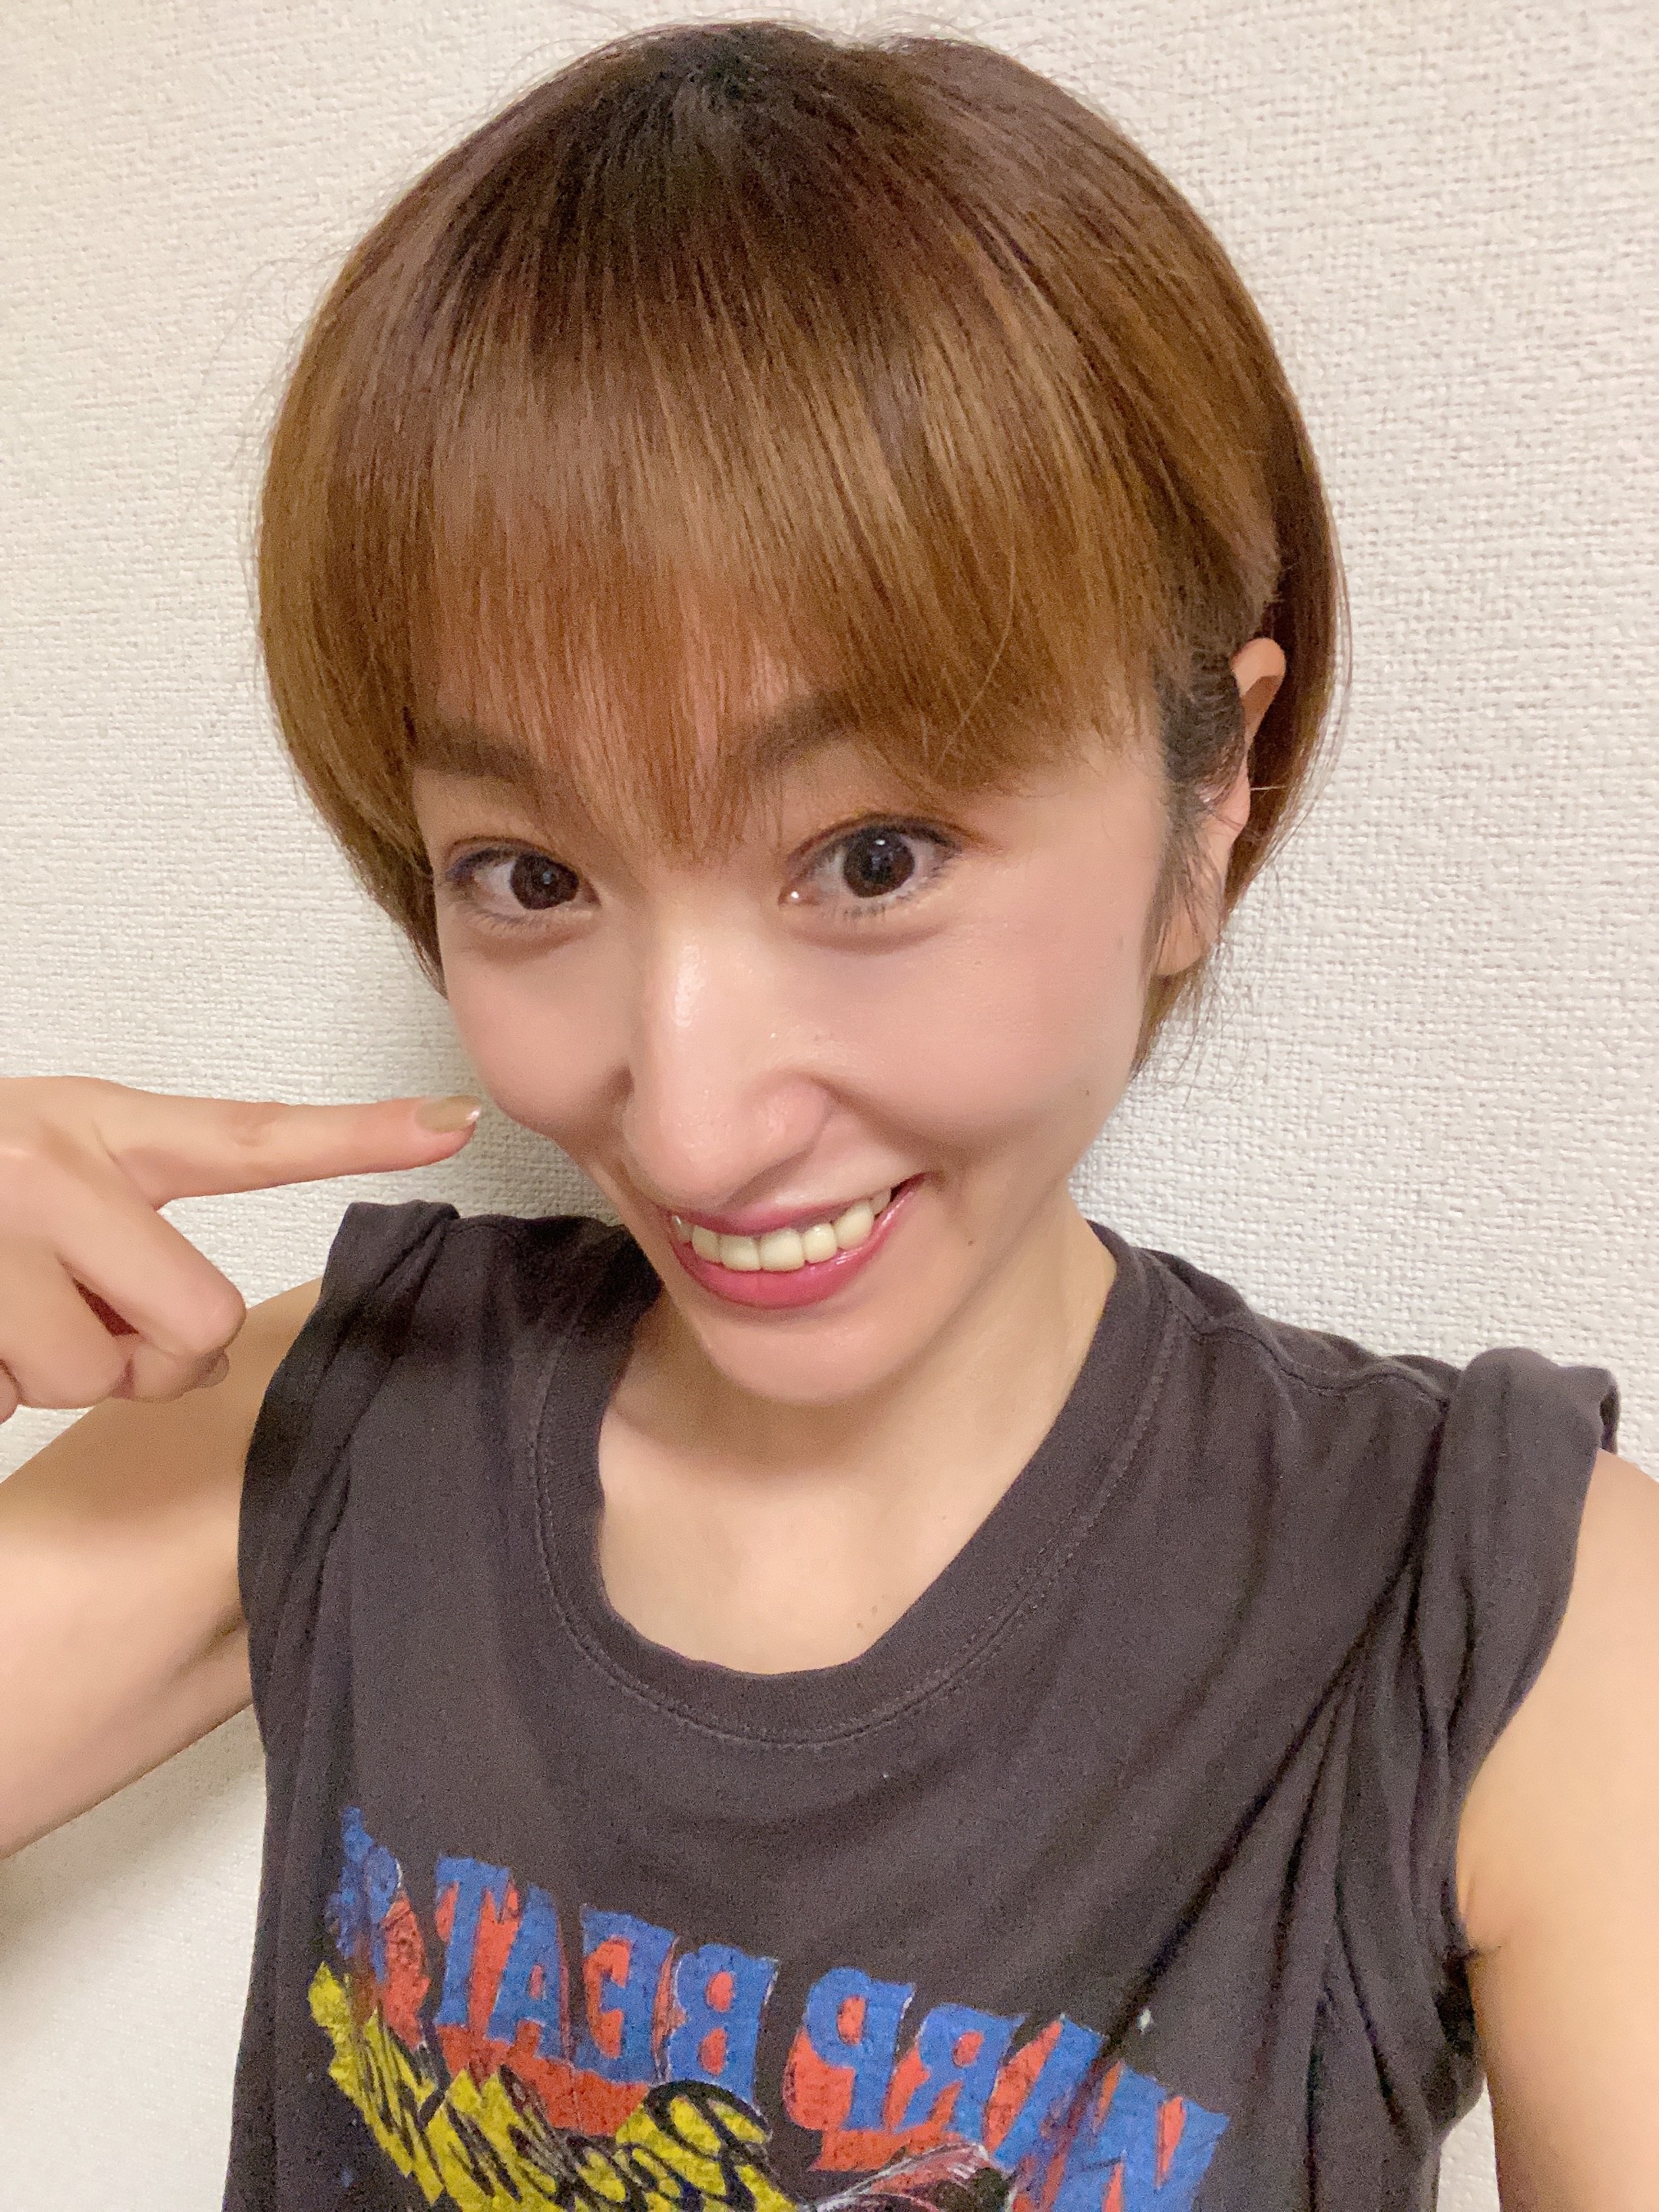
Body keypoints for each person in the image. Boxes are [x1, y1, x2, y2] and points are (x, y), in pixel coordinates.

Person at [0, 18, 1653, 2210]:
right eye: (531, 875)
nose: (691, 1127)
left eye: (872, 857)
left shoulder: (1507, 1623)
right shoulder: (351, 1413)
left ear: (1213, 791)